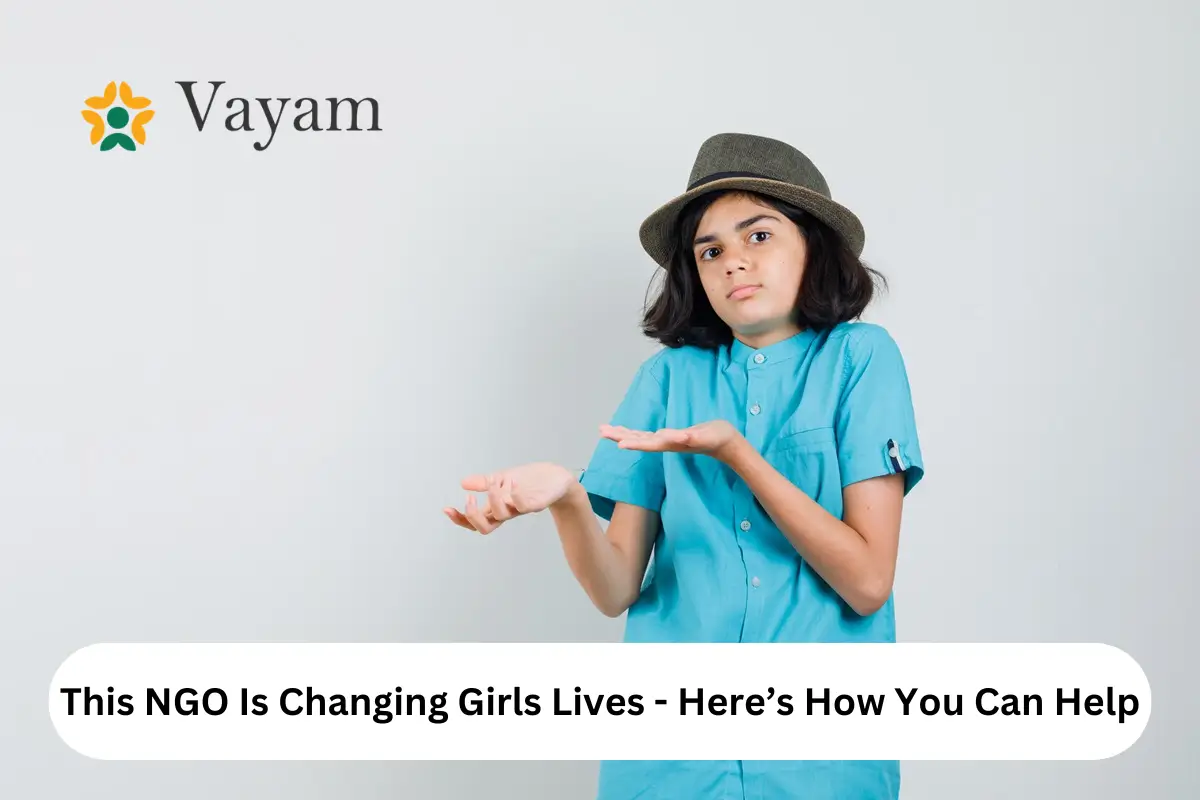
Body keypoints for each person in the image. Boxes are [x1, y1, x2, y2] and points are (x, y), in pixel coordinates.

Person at [443, 132, 925, 800]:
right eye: (711, 250)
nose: (733, 263)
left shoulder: (861, 359)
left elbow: (868, 581)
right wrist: (566, 499)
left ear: (812, 244)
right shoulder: (665, 380)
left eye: (758, 236)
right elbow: (615, 590)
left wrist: (738, 455)